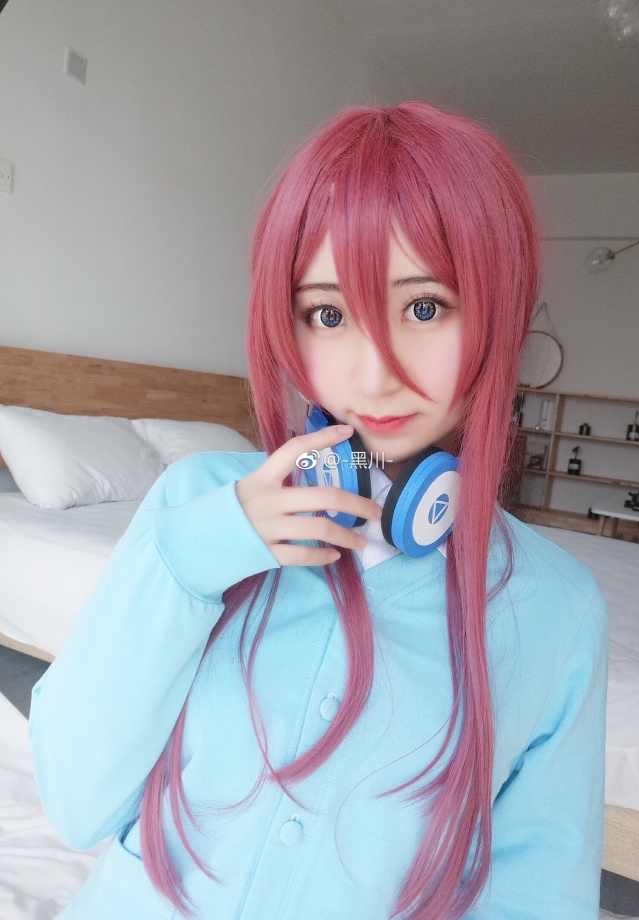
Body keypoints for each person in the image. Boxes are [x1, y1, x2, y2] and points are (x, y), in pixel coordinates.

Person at [29, 102, 607, 920]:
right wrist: (187, 563)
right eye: (329, 315)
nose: (374, 374)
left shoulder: (558, 610)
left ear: (498, 312)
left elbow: (538, 896)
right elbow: (75, 802)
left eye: (424, 307)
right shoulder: (194, 503)